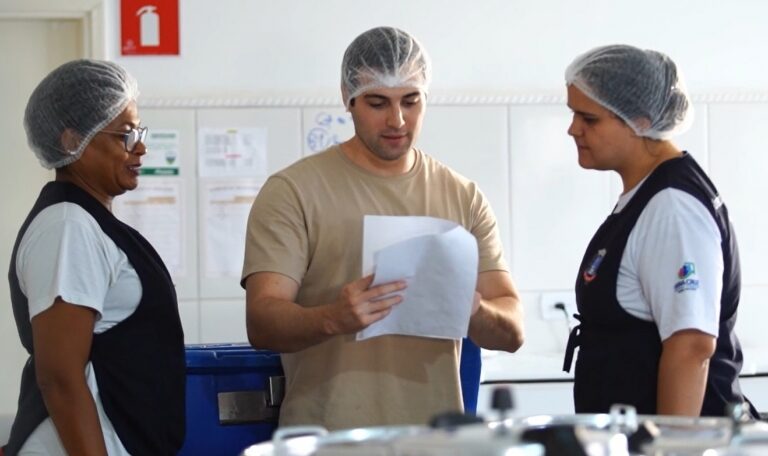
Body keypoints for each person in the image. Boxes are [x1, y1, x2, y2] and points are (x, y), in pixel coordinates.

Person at [242, 26, 524, 430]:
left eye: (411, 102)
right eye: (378, 103)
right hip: (326, 439)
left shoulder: (463, 196)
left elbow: (512, 331)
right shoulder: (294, 192)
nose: (397, 120)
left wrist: (475, 309)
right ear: (348, 99)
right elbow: (262, 322)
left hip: (434, 439)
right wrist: (333, 318)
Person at [562, 44, 757, 418]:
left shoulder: (672, 208)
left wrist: (671, 447)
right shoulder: (647, 195)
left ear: (641, 120)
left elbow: (692, 346)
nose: (573, 129)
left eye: (589, 118)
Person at [4, 60, 186, 455]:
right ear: (72, 141)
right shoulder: (68, 226)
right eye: (125, 135)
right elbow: (59, 376)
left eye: (139, 132)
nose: (141, 147)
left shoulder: (90, 222)